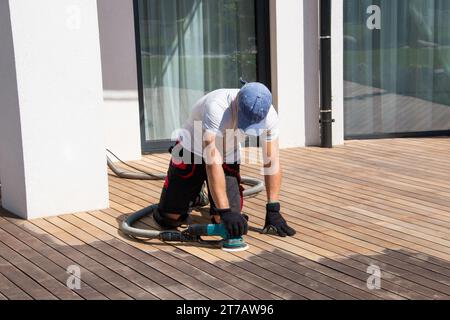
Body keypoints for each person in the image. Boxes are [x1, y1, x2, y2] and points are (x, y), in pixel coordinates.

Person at [154, 82, 296, 238]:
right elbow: (212, 160)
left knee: (225, 222)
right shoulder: (217, 107)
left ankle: (203, 195)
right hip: (191, 149)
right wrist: (224, 210)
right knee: (169, 219)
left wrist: (273, 208)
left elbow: (272, 161)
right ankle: (196, 195)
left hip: (228, 154)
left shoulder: (270, 115)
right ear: (237, 103)